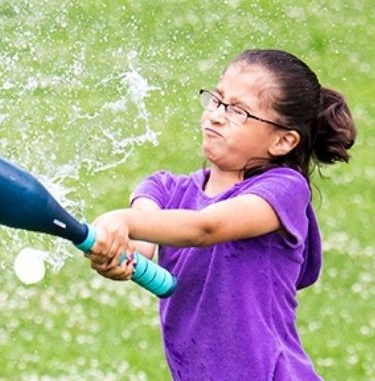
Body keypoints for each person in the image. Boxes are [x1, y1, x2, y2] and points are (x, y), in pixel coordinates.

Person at [85, 49, 356, 380]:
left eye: (238, 112)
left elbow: (205, 228)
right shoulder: (167, 190)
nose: (215, 115)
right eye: (216, 100)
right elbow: (140, 246)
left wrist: (122, 221)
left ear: (283, 140)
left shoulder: (283, 191)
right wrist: (114, 253)